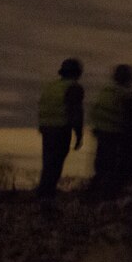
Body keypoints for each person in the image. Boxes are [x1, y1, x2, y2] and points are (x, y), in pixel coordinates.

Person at [36, 58, 84, 200]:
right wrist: (79, 134)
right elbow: (75, 112)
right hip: (60, 130)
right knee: (55, 165)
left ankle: (43, 195)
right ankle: (47, 198)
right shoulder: (74, 88)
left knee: (48, 164)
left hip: (47, 130)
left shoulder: (51, 87)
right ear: (77, 73)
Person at [89, 63, 132, 194]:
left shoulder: (105, 92)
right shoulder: (125, 95)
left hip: (102, 133)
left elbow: (95, 111)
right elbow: (129, 117)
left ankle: (96, 192)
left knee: (102, 165)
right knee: (115, 166)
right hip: (116, 134)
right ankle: (109, 193)